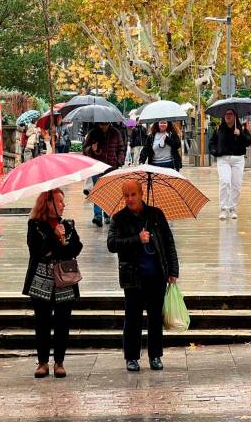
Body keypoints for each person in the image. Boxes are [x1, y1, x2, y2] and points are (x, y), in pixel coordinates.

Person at [107, 180, 179, 373]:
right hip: (133, 276)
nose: (130, 199)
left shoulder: (156, 215)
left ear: (141, 194)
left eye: (133, 194)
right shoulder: (119, 219)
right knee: (132, 319)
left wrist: (173, 271)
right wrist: (136, 240)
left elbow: (168, 242)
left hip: (156, 275)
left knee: (155, 317)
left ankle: (155, 355)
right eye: (126, 195)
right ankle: (131, 357)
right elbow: (112, 244)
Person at [23, 189, 83, 379]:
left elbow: (76, 248)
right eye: (59, 202)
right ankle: (42, 362)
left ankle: (59, 362)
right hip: (41, 281)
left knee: (62, 322)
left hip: (64, 280)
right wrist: (53, 237)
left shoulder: (68, 225)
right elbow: (37, 251)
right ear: (48, 204)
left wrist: (62, 242)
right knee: (42, 322)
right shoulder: (35, 225)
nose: (63, 205)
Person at [209, 109, 251, 220]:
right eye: (226, 114)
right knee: (225, 182)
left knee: (236, 185)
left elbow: (249, 142)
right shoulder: (219, 128)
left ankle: (232, 208)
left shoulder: (241, 128)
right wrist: (215, 152)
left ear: (235, 116)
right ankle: (223, 209)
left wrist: (240, 134)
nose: (228, 116)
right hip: (223, 160)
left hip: (238, 159)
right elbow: (211, 143)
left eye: (230, 114)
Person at [83, 122, 126, 227]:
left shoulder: (115, 133)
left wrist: (119, 161)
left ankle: (107, 214)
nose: (103, 126)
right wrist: (91, 149)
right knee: (97, 191)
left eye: (105, 124)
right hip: (96, 166)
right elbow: (84, 150)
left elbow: (121, 148)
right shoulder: (93, 133)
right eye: (101, 124)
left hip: (111, 166)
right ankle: (97, 216)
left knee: (108, 191)